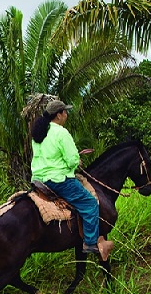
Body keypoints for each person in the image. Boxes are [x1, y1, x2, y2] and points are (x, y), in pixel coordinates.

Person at [29, 99, 114, 260]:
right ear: (59, 115)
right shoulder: (61, 132)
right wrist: (76, 161)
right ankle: (90, 242)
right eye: (65, 112)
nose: (67, 114)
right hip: (58, 180)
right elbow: (72, 160)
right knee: (89, 203)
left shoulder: (39, 133)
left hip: (39, 180)